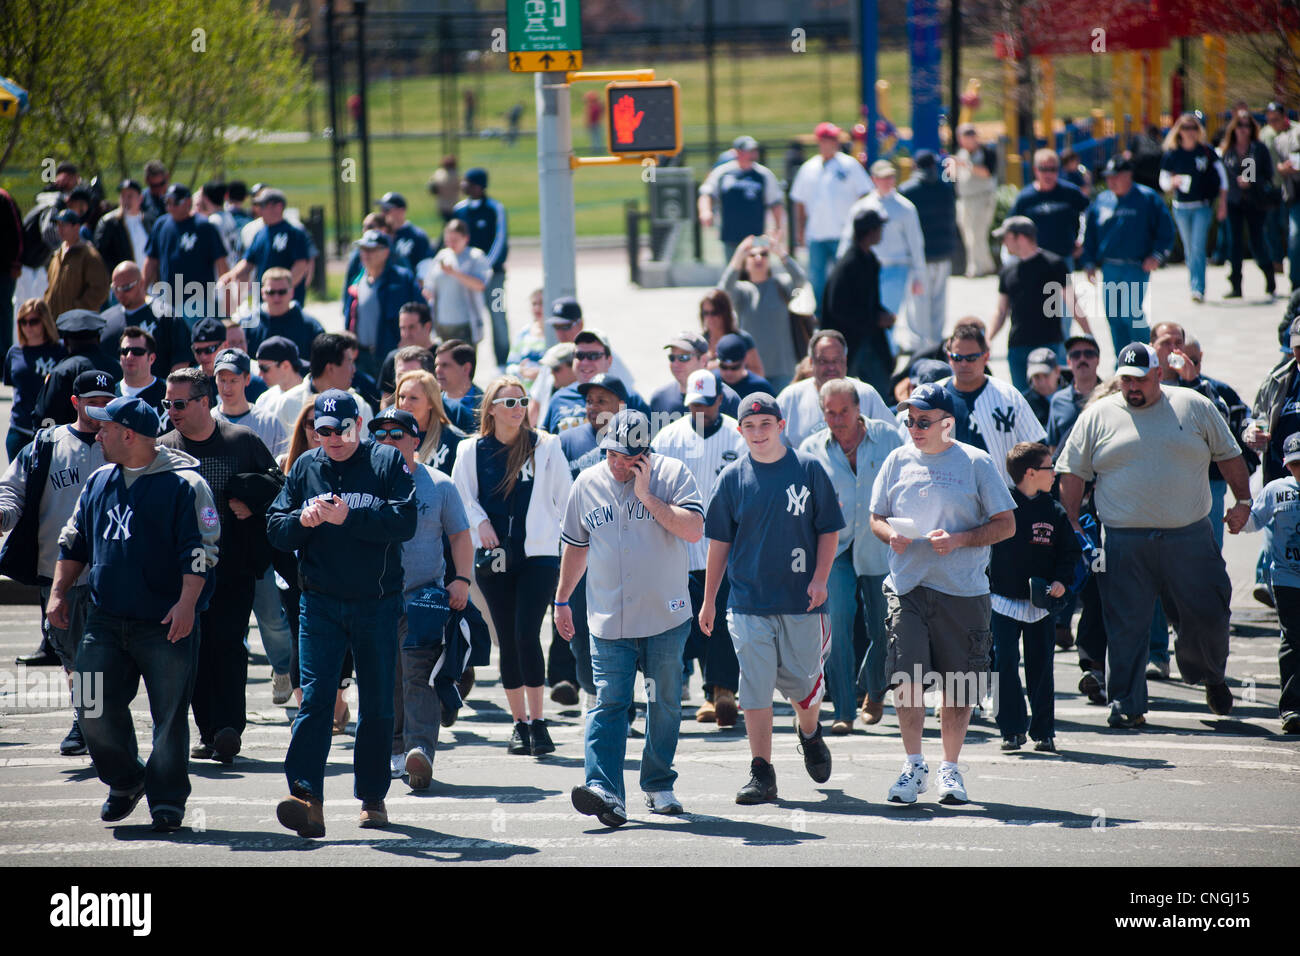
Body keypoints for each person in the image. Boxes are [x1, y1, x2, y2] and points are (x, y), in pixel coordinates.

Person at [1056, 343, 1251, 726]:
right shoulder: (1098, 414)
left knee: (1208, 615)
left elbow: (1229, 454)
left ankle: (1208, 675)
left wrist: (1243, 501)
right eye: (1126, 379)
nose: (1132, 388)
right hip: (1125, 540)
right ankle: (1127, 704)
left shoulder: (1193, 406)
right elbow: (1072, 471)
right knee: (1125, 623)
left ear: (1159, 374)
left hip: (1189, 536)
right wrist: (1075, 525)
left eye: (1141, 380)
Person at [51, 395, 220, 832]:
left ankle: (167, 801)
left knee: (168, 717)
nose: (97, 432)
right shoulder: (100, 480)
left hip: (165, 621)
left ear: (129, 434)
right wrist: (58, 593)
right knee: (89, 702)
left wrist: (186, 605)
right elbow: (75, 541)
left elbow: (201, 551)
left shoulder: (185, 484)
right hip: (104, 618)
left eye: (105, 428)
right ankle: (126, 780)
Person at [268, 389, 417, 836]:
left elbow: (404, 523)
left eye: (340, 429)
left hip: (376, 602)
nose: (331, 438)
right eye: (322, 430)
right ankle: (306, 796)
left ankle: (372, 798)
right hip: (319, 602)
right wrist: (303, 521)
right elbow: (275, 528)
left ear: (358, 423)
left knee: (375, 702)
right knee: (314, 700)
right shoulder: (306, 466)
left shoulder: (386, 463)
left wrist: (346, 518)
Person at [869, 383, 1016, 804]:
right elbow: (876, 516)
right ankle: (913, 766)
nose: (914, 428)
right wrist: (890, 535)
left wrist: (960, 539)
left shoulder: (975, 462)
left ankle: (950, 771)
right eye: (910, 420)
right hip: (908, 586)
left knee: (961, 686)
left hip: (963, 591)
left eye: (923, 421)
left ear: (946, 423)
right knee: (907, 680)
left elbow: (1006, 524)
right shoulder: (897, 460)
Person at [559, 409, 704, 824]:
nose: (619, 464)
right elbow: (575, 545)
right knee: (609, 703)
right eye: (612, 455)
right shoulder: (586, 483)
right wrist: (562, 598)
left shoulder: (672, 475)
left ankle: (658, 783)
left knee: (664, 703)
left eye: (628, 457)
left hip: (665, 615)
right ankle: (604, 790)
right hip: (608, 618)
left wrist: (646, 495)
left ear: (646, 453)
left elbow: (693, 529)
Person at [700, 393, 842, 804]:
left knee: (804, 688)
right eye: (750, 426)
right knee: (754, 690)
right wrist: (709, 600)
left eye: (766, 425)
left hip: (802, 602)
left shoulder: (809, 469)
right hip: (748, 602)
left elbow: (828, 529)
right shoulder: (732, 478)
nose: (758, 433)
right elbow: (719, 544)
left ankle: (810, 733)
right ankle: (761, 771)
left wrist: (820, 579)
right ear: (740, 429)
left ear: (781, 426)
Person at [158, 367, 280, 763]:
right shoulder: (162, 450)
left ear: (204, 401)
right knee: (192, 650)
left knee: (228, 646)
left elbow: (279, 489)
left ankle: (228, 728)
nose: (172, 411)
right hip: (179, 575)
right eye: (167, 403)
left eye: (179, 403)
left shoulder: (241, 441)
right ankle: (208, 730)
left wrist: (252, 504)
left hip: (232, 569)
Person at [451, 376, 572, 757]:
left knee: (526, 634)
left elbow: (565, 497)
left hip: (538, 555)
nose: (517, 408)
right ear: (491, 409)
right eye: (508, 403)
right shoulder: (471, 450)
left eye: (522, 401)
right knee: (507, 636)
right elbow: (461, 496)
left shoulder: (546, 445)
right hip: (493, 557)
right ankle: (519, 723)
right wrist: (479, 521)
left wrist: (566, 543)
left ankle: (538, 721)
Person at [0, 371, 114, 755]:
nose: (100, 407)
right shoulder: (47, 444)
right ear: (75, 403)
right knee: (72, 656)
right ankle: (88, 717)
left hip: (112, 572)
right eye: (92, 400)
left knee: (98, 654)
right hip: (57, 572)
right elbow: (13, 490)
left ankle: (90, 723)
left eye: (106, 399)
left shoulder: (123, 440)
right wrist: (4, 514)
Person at [368, 407, 474, 789]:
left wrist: (461, 580)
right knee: (386, 679)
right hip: (374, 597)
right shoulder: (365, 482)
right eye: (380, 435)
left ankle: (420, 752)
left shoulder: (440, 485)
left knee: (418, 675)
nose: (388, 442)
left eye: (397, 435)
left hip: (423, 598)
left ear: (416, 440)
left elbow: (461, 536)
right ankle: (397, 749)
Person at [798, 378, 903, 732]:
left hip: (880, 543)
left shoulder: (889, 439)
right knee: (837, 627)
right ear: (822, 412)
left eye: (845, 410)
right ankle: (843, 710)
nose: (839, 418)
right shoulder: (811, 450)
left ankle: (875, 690)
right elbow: (799, 502)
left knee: (885, 627)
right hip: (834, 548)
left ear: (859, 409)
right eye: (831, 412)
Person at [651, 371, 746, 729]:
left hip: (726, 547)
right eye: (694, 405)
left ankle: (722, 691)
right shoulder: (668, 437)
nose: (700, 411)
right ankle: (693, 690)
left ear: (720, 400)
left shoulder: (738, 435)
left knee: (722, 619)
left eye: (707, 404)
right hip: (679, 549)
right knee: (688, 622)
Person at [990, 442, 1081, 753]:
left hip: (1040, 603)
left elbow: (1069, 553)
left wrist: (1061, 581)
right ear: (1030, 473)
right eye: (1049, 467)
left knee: (1041, 667)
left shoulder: (1053, 510)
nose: (1054, 473)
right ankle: (1011, 729)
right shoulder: (1001, 505)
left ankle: (1043, 731)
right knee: (1003, 664)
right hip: (1002, 599)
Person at [1233, 431, 1300, 734]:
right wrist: (1238, 519)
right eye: (1296, 464)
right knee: (1293, 639)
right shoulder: (1276, 490)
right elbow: (1253, 520)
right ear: (1286, 464)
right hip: (1286, 579)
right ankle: (1292, 707)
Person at [1081, 156, 1175, 359]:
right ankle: (1122, 360)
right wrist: (1088, 262)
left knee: (1131, 314)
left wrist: (1157, 256)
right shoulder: (1102, 200)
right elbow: (1090, 234)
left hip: (1136, 266)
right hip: (1109, 267)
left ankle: (1146, 356)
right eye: (1108, 177)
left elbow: (1166, 230)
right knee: (1114, 317)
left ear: (1128, 175)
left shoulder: (1147, 198)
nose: (1111, 181)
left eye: (1116, 176)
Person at [988, 215, 1088, 391]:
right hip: (1017, 347)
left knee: (1056, 398)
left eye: (1006, 237)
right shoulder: (1007, 271)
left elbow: (1073, 303)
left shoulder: (1055, 264)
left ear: (1020, 237)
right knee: (1022, 400)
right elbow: (1001, 311)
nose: (1004, 243)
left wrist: (1088, 335)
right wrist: (987, 338)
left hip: (1050, 344)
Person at [938, 322, 1046, 485]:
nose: (964, 364)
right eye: (957, 358)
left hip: (1003, 497)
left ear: (986, 357)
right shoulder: (934, 395)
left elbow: (1037, 448)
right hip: (949, 497)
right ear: (949, 357)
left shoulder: (1008, 396)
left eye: (971, 358)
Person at [838, 160, 928, 353]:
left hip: (896, 267)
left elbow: (915, 243)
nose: (888, 181)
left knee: (887, 316)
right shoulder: (862, 206)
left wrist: (919, 275)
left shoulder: (905, 207)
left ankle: (887, 353)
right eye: (883, 177)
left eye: (891, 177)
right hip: (866, 268)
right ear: (874, 179)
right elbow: (848, 237)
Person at [790, 122, 871, 312]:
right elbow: (799, 202)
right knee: (817, 280)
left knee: (844, 277)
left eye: (834, 139)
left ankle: (845, 312)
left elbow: (864, 194)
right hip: (817, 234)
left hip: (843, 233)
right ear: (820, 142)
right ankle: (820, 316)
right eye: (828, 140)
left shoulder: (849, 165)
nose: (832, 144)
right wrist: (799, 230)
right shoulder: (809, 168)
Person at [776, 329, 894, 448]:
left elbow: (892, 437)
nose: (831, 367)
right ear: (811, 362)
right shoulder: (790, 398)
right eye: (823, 361)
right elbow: (775, 447)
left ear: (845, 361)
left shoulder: (866, 393)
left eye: (836, 360)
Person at [528, 298, 637, 425]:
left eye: (566, 326)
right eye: (557, 327)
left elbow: (629, 396)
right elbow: (536, 403)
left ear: (580, 324)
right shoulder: (551, 357)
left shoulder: (605, 354)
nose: (561, 333)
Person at [721, 234, 808, 393]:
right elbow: (724, 292)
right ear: (746, 263)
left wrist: (780, 252)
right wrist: (739, 254)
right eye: (752, 255)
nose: (758, 258)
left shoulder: (781, 285)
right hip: (751, 371)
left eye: (764, 254)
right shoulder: (742, 291)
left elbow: (800, 280)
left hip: (783, 370)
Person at [823, 208, 896, 397]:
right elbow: (836, 308)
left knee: (882, 389)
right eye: (879, 228)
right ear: (870, 232)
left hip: (870, 338)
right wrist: (874, 319)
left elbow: (871, 300)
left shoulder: (870, 260)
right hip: (851, 341)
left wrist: (883, 315)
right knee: (843, 391)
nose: (881, 232)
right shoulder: (848, 265)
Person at [1160, 113, 1228, 303]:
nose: (1189, 132)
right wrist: (1172, 181)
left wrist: (1222, 203)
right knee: (1190, 249)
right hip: (1181, 207)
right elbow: (1163, 180)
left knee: (1198, 247)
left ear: (1198, 131)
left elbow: (1222, 178)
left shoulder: (1206, 151)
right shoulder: (1172, 154)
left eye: (1193, 128)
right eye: (1185, 128)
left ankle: (1198, 288)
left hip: (1202, 206)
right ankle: (1194, 285)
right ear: (1178, 131)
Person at [898, 150, 958, 353]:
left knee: (918, 302)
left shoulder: (907, 190)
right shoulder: (945, 188)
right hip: (943, 252)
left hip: (920, 256)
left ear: (915, 166)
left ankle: (919, 343)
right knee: (939, 299)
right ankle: (935, 340)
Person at [142, 184, 229, 325]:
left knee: (198, 342)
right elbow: (151, 259)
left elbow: (221, 262)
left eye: (175, 202)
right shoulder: (161, 224)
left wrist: (226, 297)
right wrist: (142, 289)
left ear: (188, 202)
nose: (170, 207)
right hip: (168, 300)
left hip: (199, 301)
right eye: (167, 202)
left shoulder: (204, 226)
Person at [341, 230, 422, 379]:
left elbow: (420, 312)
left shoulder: (402, 279)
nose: (366, 254)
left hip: (391, 354)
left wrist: (409, 342)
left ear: (385, 252)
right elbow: (349, 316)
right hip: (361, 355)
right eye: (363, 249)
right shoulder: (357, 281)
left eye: (371, 249)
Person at [452, 168, 510, 368]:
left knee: (498, 315)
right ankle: (463, 362)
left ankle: (502, 361)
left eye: (466, 182)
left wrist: (485, 267)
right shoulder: (459, 210)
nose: (463, 185)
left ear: (477, 186)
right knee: (465, 318)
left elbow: (500, 240)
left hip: (495, 277)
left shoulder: (495, 208)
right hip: (467, 277)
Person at [542, 329, 649, 434]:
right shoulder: (559, 398)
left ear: (609, 360)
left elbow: (650, 443)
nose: (585, 362)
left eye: (593, 356)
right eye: (580, 356)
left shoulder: (629, 398)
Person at [1219, 109, 1278, 299]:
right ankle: (1236, 285)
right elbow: (1224, 179)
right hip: (1234, 201)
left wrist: (1252, 180)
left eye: (1247, 126)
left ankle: (1269, 275)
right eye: (1240, 125)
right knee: (1234, 243)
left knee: (1257, 242)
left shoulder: (1258, 148)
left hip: (1255, 202)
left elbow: (1269, 175)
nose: (1243, 130)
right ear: (1234, 128)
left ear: (1252, 128)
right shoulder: (1228, 150)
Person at [698, 135, 786, 262]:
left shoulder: (763, 174)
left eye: (754, 150)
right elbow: (706, 193)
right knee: (733, 272)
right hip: (730, 235)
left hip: (757, 236)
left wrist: (778, 228)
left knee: (757, 270)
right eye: (748, 151)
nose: (753, 154)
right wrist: (705, 211)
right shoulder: (723, 172)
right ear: (737, 152)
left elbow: (775, 202)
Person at [275, 331, 375, 437]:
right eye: (350, 362)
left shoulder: (360, 406)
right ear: (330, 368)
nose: (354, 370)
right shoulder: (287, 403)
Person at [100, 261, 190, 377]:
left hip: (158, 392)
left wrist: (171, 392)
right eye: (115, 288)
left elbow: (181, 360)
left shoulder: (165, 316)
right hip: (116, 393)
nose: (120, 293)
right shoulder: (105, 320)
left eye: (126, 288)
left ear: (142, 283)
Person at [33, 309, 122, 428]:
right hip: (112, 440)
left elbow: (46, 416)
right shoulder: (117, 367)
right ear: (98, 339)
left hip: (71, 443)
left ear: (65, 341)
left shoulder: (62, 371)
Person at [1008, 149, 1090, 274]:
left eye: (1053, 169)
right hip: (1034, 259)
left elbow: (1089, 214)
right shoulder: (1025, 197)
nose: (1048, 174)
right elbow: (1011, 225)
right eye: (1043, 169)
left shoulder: (1071, 192)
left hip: (1064, 257)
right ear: (1035, 170)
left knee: (1064, 293)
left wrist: (1083, 241)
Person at [4, 299, 66, 460]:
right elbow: (14, 389)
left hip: (50, 430)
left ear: (44, 321)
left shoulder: (60, 350)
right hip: (19, 430)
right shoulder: (14, 352)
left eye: (33, 321)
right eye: (23, 322)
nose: (28, 327)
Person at [648, 330, 741, 431]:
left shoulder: (727, 399)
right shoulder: (659, 399)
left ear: (704, 361)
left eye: (683, 357)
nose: (675, 363)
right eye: (672, 358)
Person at [210, 347, 288, 458]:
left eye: (233, 381)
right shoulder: (208, 421)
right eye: (222, 380)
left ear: (247, 379)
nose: (227, 388)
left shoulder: (268, 423)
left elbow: (283, 466)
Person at [425, 219, 490, 345]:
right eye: (448, 240)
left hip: (465, 324)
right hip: (442, 323)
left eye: (455, 240)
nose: (451, 244)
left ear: (466, 238)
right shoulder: (442, 255)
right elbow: (430, 285)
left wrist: (454, 273)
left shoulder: (475, 256)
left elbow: (480, 285)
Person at [241, 266, 326, 361]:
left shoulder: (311, 327)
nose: (276, 297)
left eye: (282, 292)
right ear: (262, 293)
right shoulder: (247, 326)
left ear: (292, 292)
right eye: (271, 292)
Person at [393, 369, 466, 473]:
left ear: (431, 402)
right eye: (401, 397)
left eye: (413, 398)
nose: (404, 403)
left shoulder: (454, 439)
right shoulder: (386, 434)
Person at [953, 123, 1000, 277]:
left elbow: (987, 172)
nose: (967, 140)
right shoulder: (960, 153)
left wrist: (965, 164)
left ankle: (977, 268)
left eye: (970, 136)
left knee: (977, 234)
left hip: (982, 198)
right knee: (967, 235)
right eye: (964, 137)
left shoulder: (987, 152)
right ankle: (985, 266)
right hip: (964, 199)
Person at [45, 209, 110, 319]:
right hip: (55, 322)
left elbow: (100, 289)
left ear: (76, 227)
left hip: (78, 323)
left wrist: (78, 309)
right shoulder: (57, 255)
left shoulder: (89, 255)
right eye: (58, 225)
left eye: (64, 225)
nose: (60, 229)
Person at [1263, 103, 1300, 296]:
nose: (1272, 124)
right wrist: (1250, 179)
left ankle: (1292, 280)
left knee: (1292, 234)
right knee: (1272, 232)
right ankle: (1274, 273)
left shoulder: (1296, 131)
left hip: (1290, 192)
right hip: (1273, 191)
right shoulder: (1264, 136)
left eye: (1275, 119)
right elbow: (1251, 159)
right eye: (1269, 120)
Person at [1047, 334, 1102, 451]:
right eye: (1076, 355)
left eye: (1088, 354)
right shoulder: (1058, 401)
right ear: (1068, 362)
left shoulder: (1111, 396)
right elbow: (1053, 447)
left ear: (1098, 360)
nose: (1082, 359)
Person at [93, 179, 155, 273]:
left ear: (140, 198)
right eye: (123, 196)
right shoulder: (109, 223)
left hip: (149, 282)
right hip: (123, 283)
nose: (126, 200)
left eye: (130, 196)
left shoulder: (149, 221)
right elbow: (100, 256)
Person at [380, 301, 438, 398]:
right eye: (402, 328)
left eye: (412, 327)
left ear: (427, 326)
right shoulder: (393, 358)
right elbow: (386, 398)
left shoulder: (441, 359)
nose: (406, 334)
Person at [699, 289, 762, 374]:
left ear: (725, 313)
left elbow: (758, 373)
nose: (709, 318)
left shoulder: (742, 339)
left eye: (714, 312)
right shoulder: (700, 341)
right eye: (705, 313)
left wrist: (731, 367)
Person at [376, 192, 433, 271]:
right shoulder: (380, 234)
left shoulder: (417, 236)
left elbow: (425, 267)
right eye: (381, 209)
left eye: (386, 210)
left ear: (401, 211)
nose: (382, 213)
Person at [115, 326, 167, 415]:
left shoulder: (167, 393)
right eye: (124, 351)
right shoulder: (111, 394)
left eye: (137, 351)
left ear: (151, 358)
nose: (129, 356)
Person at [434, 339, 483, 428]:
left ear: (466, 369)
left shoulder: (486, 408)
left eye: (445, 365)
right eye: (436, 365)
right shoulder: (431, 404)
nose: (437, 370)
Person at [714, 332, 772, 399]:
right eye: (723, 367)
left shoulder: (761, 388)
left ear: (744, 361)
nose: (729, 372)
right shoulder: (712, 383)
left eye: (734, 367)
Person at [1021, 348, 1060, 428]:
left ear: (1057, 371)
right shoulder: (1024, 403)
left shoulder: (1074, 394)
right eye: (1036, 377)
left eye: (1046, 375)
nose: (1042, 382)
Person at [427, 155, 461, 222]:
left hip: (442, 205)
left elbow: (431, 187)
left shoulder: (438, 173)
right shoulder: (457, 174)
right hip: (455, 205)